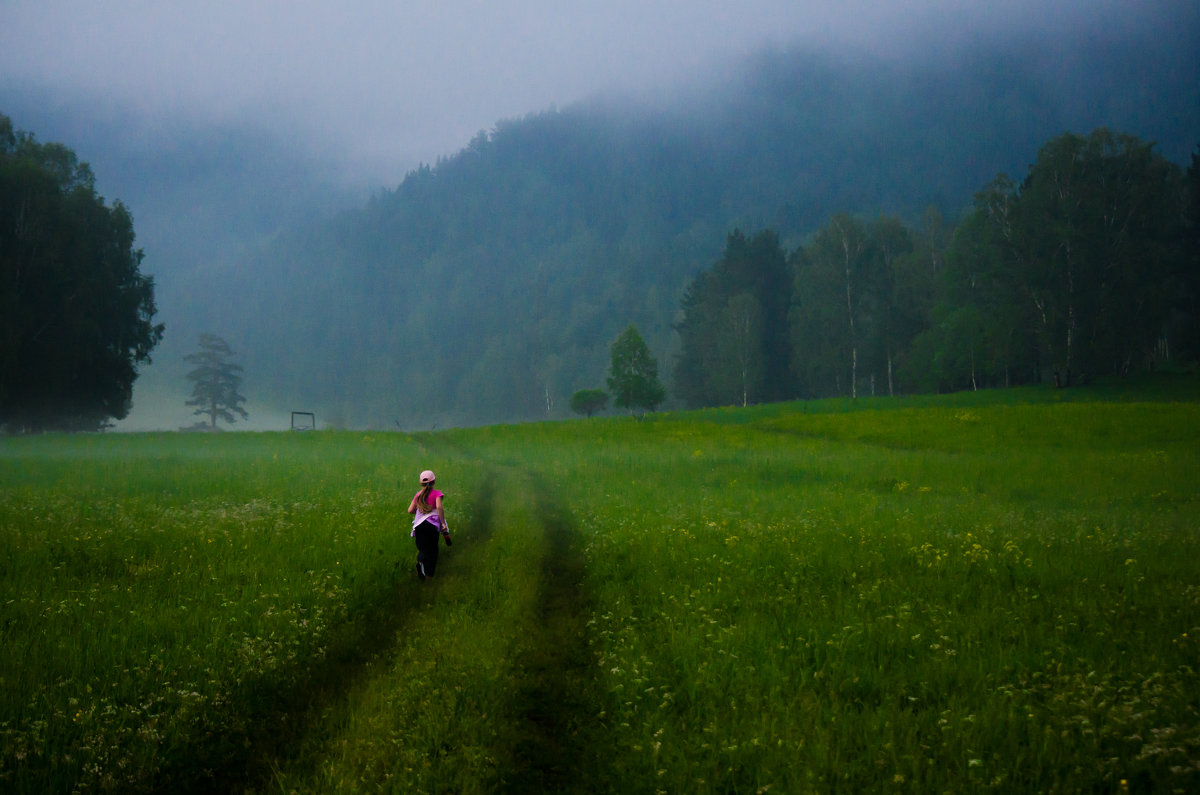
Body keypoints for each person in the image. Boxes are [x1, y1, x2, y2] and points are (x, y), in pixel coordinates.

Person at [407, 469, 452, 580]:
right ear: (434, 481)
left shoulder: (418, 495)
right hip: (432, 526)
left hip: (419, 526)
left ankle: (420, 562)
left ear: (421, 483)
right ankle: (430, 574)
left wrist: (419, 511)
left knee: (423, 549)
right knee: (433, 549)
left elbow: (410, 510)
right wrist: (442, 523)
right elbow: (439, 507)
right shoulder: (437, 493)